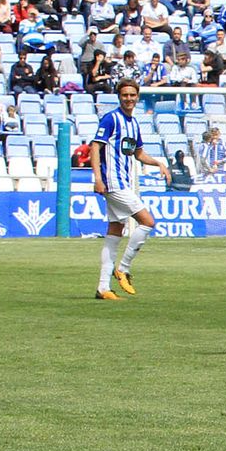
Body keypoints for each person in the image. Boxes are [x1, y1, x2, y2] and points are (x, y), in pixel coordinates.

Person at [91, 81, 172, 300]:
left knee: (115, 230)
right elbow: (95, 146)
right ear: (119, 96)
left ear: (137, 97)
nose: (128, 98)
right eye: (125, 95)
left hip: (123, 182)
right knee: (147, 221)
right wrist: (97, 178)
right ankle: (123, 268)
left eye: (132, 95)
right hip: (112, 182)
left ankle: (103, 287)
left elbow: (138, 153)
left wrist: (158, 163)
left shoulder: (133, 123)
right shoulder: (111, 119)